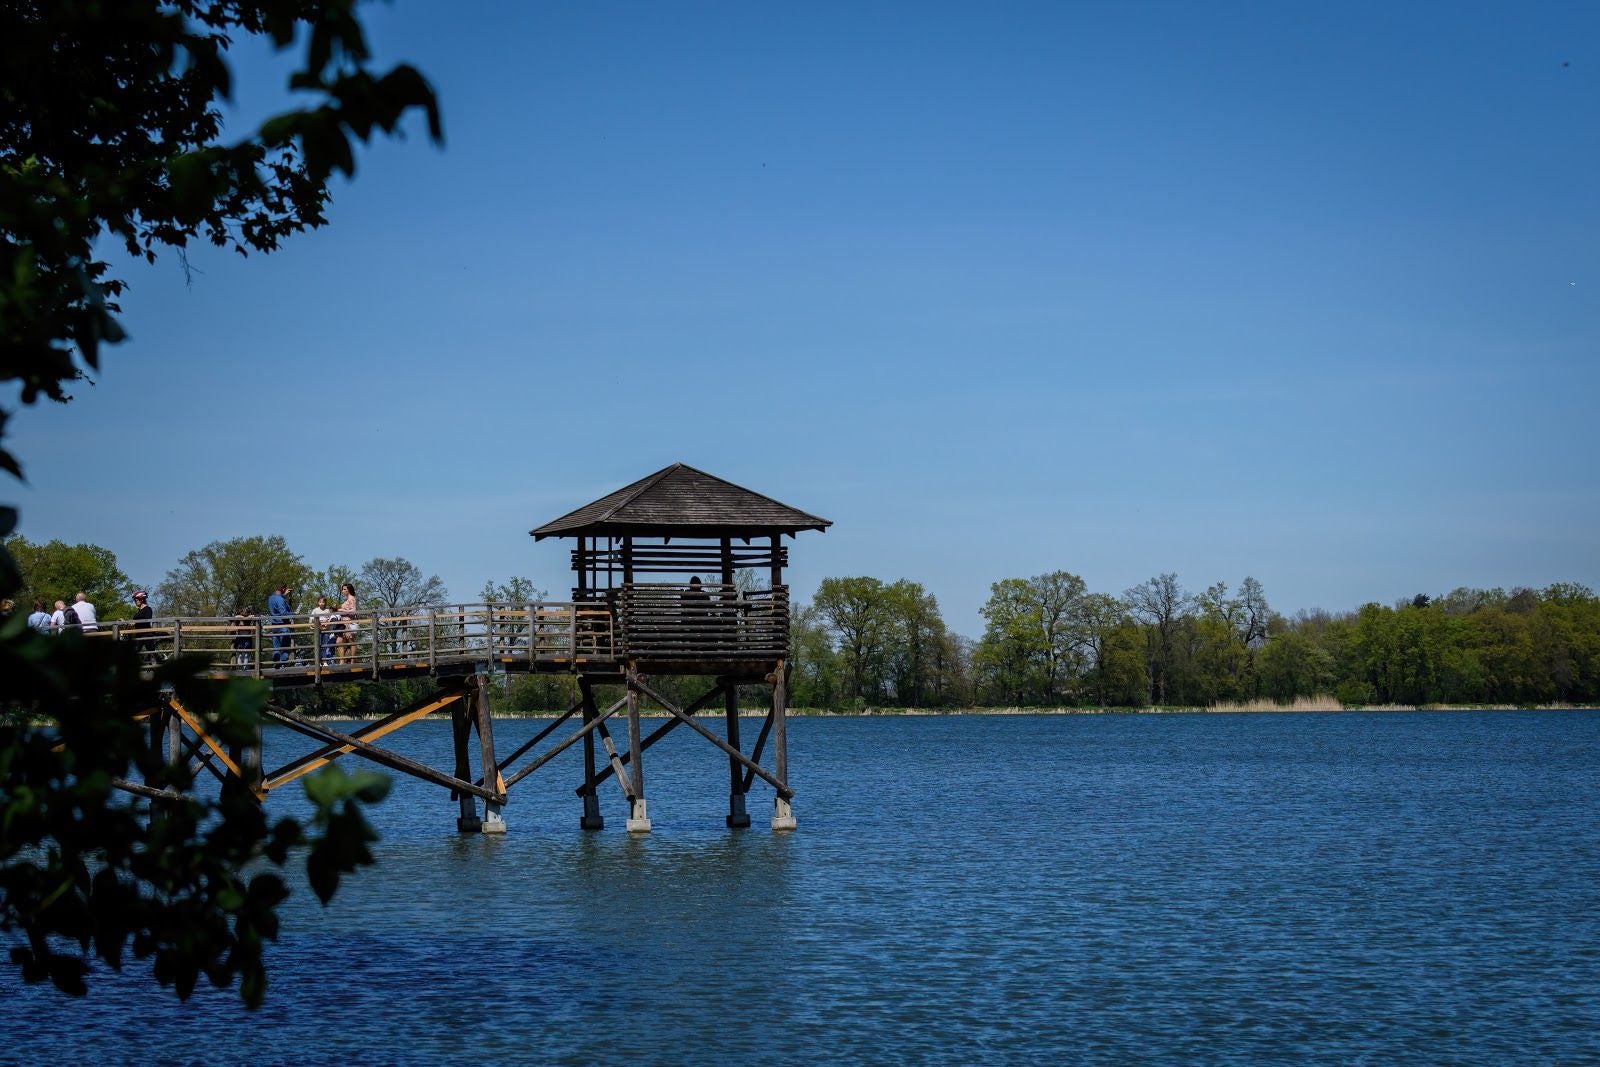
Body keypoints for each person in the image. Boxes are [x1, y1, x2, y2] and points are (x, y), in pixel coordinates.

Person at [267, 584, 292, 664]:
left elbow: (277, 600)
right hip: (282, 624)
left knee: (276, 647)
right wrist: (294, 614)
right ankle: (282, 664)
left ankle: (276, 663)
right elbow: (283, 613)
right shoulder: (280, 599)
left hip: (274, 625)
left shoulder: (271, 598)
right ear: (283, 589)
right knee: (285, 647)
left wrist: (284, 595)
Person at [309, 595, 336, 664]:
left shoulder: (327, 610)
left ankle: (324, 661)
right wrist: (311, 625)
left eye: (323, 602)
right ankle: (318, 662)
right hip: (318, 630)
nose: (321, 603)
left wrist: (327, 622)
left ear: (325, 603)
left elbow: (330, 618)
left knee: (324, 645)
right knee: (318, 645)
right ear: (318, 602)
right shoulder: (315, 610)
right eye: (320, 602)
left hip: (325, 629)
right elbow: (311, 618)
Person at [130, 590, 154, 665]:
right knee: (134, 652)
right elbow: (135, 622)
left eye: (136, 600)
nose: (135, 602)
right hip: (139, 635)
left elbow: (147, 620)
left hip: (146, 634)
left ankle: (153, 667)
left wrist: (136, 622)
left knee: (151, 653)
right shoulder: (139, 611)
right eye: (135, 600)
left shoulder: (148, 609)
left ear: (142, 599)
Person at [337, 582, 357, 664]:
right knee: (339, 641)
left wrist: (342, 610)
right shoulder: (348, 599)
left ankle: (352, 661)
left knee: (351, 642)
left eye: (344, 589)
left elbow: (353, 611)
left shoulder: (351, 598)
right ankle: (342, 661)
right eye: (342, 589)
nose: (343, 591)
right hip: (344, 624)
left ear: (349, 590)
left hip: (349, 623)